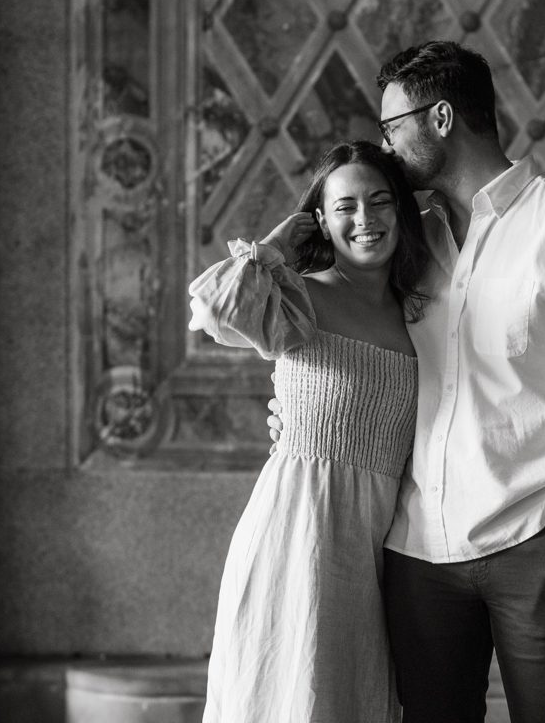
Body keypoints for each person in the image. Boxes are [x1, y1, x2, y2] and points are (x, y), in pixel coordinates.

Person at [273, 41, 545, 723]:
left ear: (443, 118)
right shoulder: (405, 243)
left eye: (394, 128)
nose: (386, 149)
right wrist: (297, 411)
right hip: (417, 554)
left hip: (538, 545)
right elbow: (349, 346)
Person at [189, 141, 429, 723]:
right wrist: (274, 248)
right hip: (297, 536)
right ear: (320, 220)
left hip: (381, 550)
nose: (365, 220)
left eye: (379, 202)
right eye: (344, 207)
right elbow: (213, 312)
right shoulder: (302, 298)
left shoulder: (422, 312)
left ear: (401, 209)